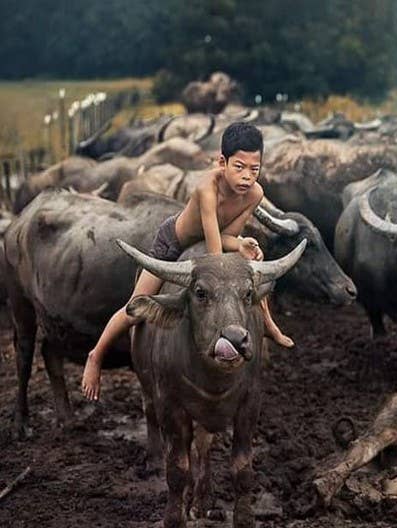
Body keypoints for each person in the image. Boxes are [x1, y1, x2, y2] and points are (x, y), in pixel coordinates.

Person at [81, 122, 293, 401]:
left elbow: (226, 233)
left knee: (252, 269)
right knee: (135, 306)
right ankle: (95, 355)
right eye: (239, 167)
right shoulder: (207, 187)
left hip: (212, 241)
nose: (247, 177)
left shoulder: (255, 194)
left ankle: (269, 325)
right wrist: (234, 259)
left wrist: (242, 245)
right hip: (174, 242)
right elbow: (215, 256)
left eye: (254, 169)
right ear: (222, 162)